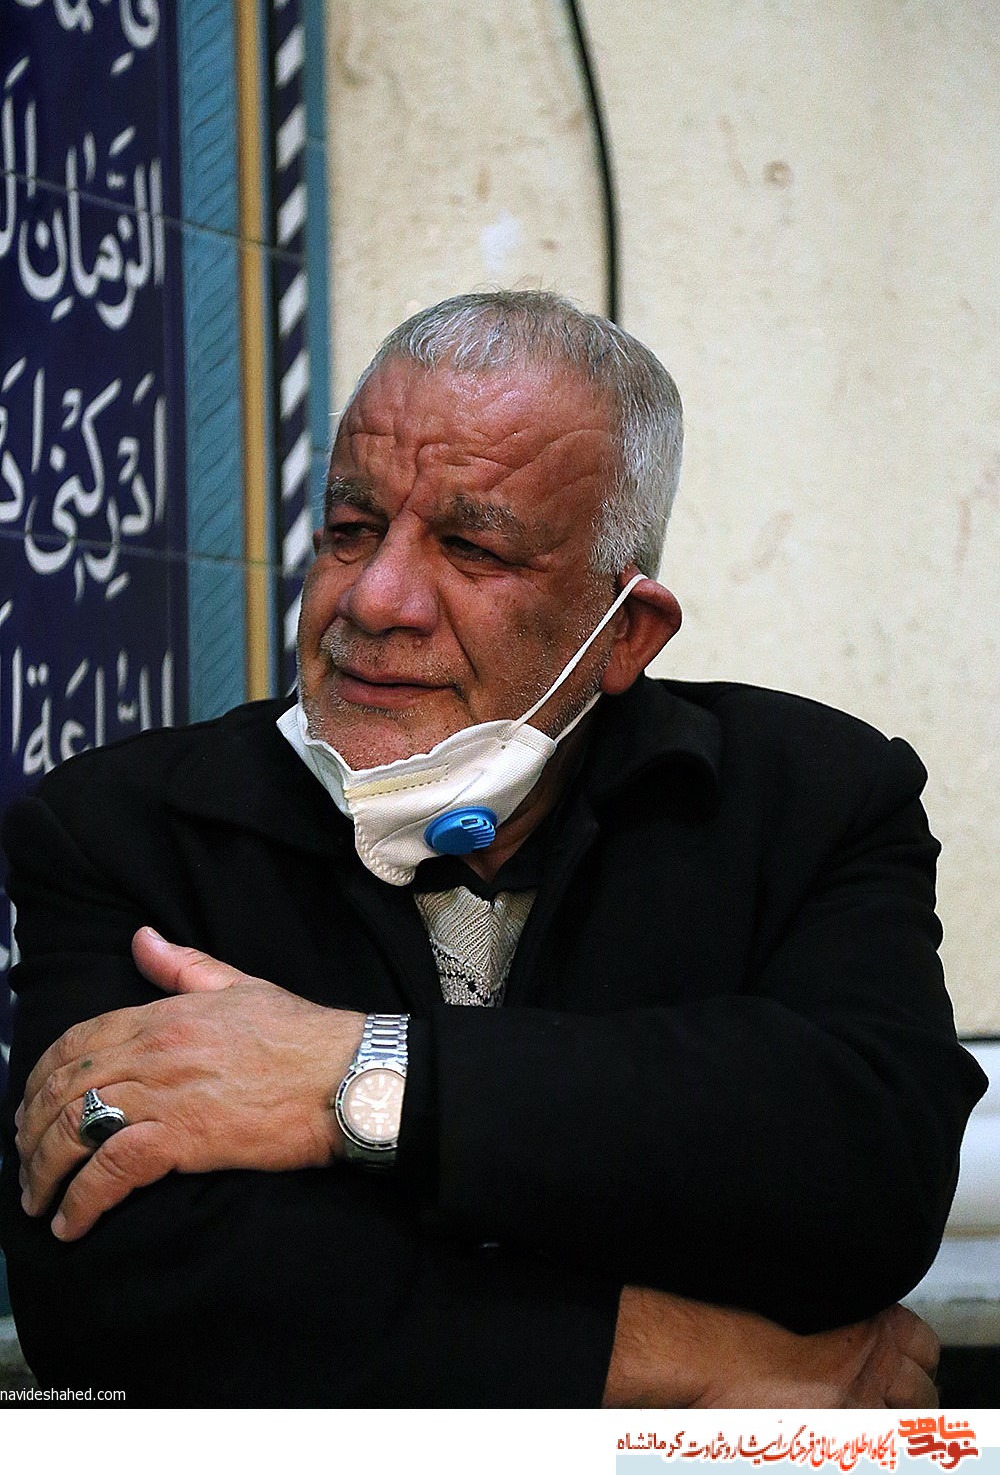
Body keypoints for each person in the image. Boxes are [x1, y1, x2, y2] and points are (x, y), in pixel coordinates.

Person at [0, 291, 985, 1408]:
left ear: (624, 634)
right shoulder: (127, 831)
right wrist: (700, 1358)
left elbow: (860, 1171)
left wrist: (357, 1077)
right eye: (350, 529)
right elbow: (116, 1294)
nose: (375, 599)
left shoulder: (805, 799)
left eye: (472, 549)